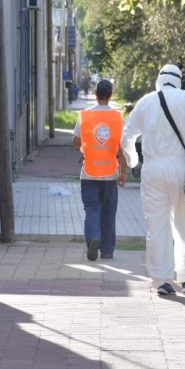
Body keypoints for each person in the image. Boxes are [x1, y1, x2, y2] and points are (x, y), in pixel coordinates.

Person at [120, 64, 185, 296]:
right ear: (179, 80)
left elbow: (126, 135)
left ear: (159, 80)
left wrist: (133, 162)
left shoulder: (145, 102)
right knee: (184, 223)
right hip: (180, 168)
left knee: (156, 226)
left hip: (152, 169)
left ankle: (161, 279)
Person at [73, 79, 127, 261]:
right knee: (109, 211)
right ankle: (107, 250)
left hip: (89, 172)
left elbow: (76, 141)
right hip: (111, 173)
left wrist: (86, 145)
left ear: (95, 94)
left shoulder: (85, 116)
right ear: (110, 95)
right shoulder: (118, 118)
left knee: (91, 208)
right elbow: (122, 148)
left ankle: (93, 237)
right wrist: (124, 172)